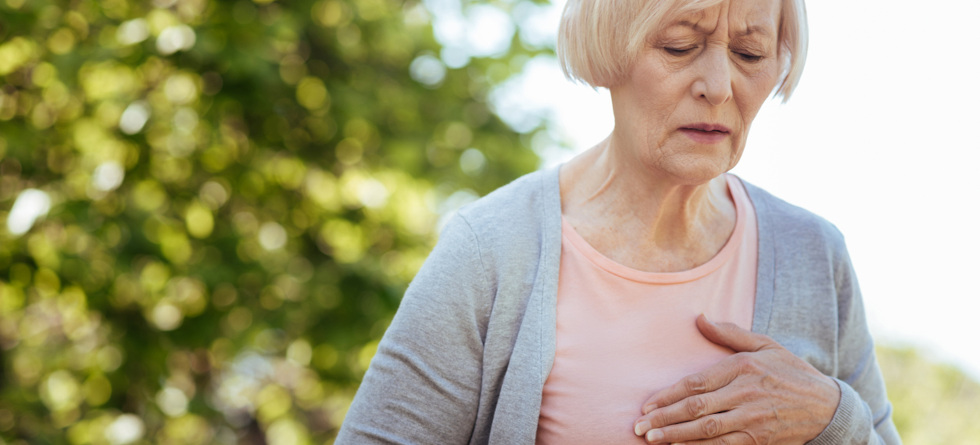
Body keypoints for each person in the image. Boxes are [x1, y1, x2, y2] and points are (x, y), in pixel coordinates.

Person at [336, 0, 901, 443]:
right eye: (680, 46)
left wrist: (831, 419)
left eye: (749, 55)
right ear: (609, 50)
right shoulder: (490, 251)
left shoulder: (814, 254)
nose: (719, 85)